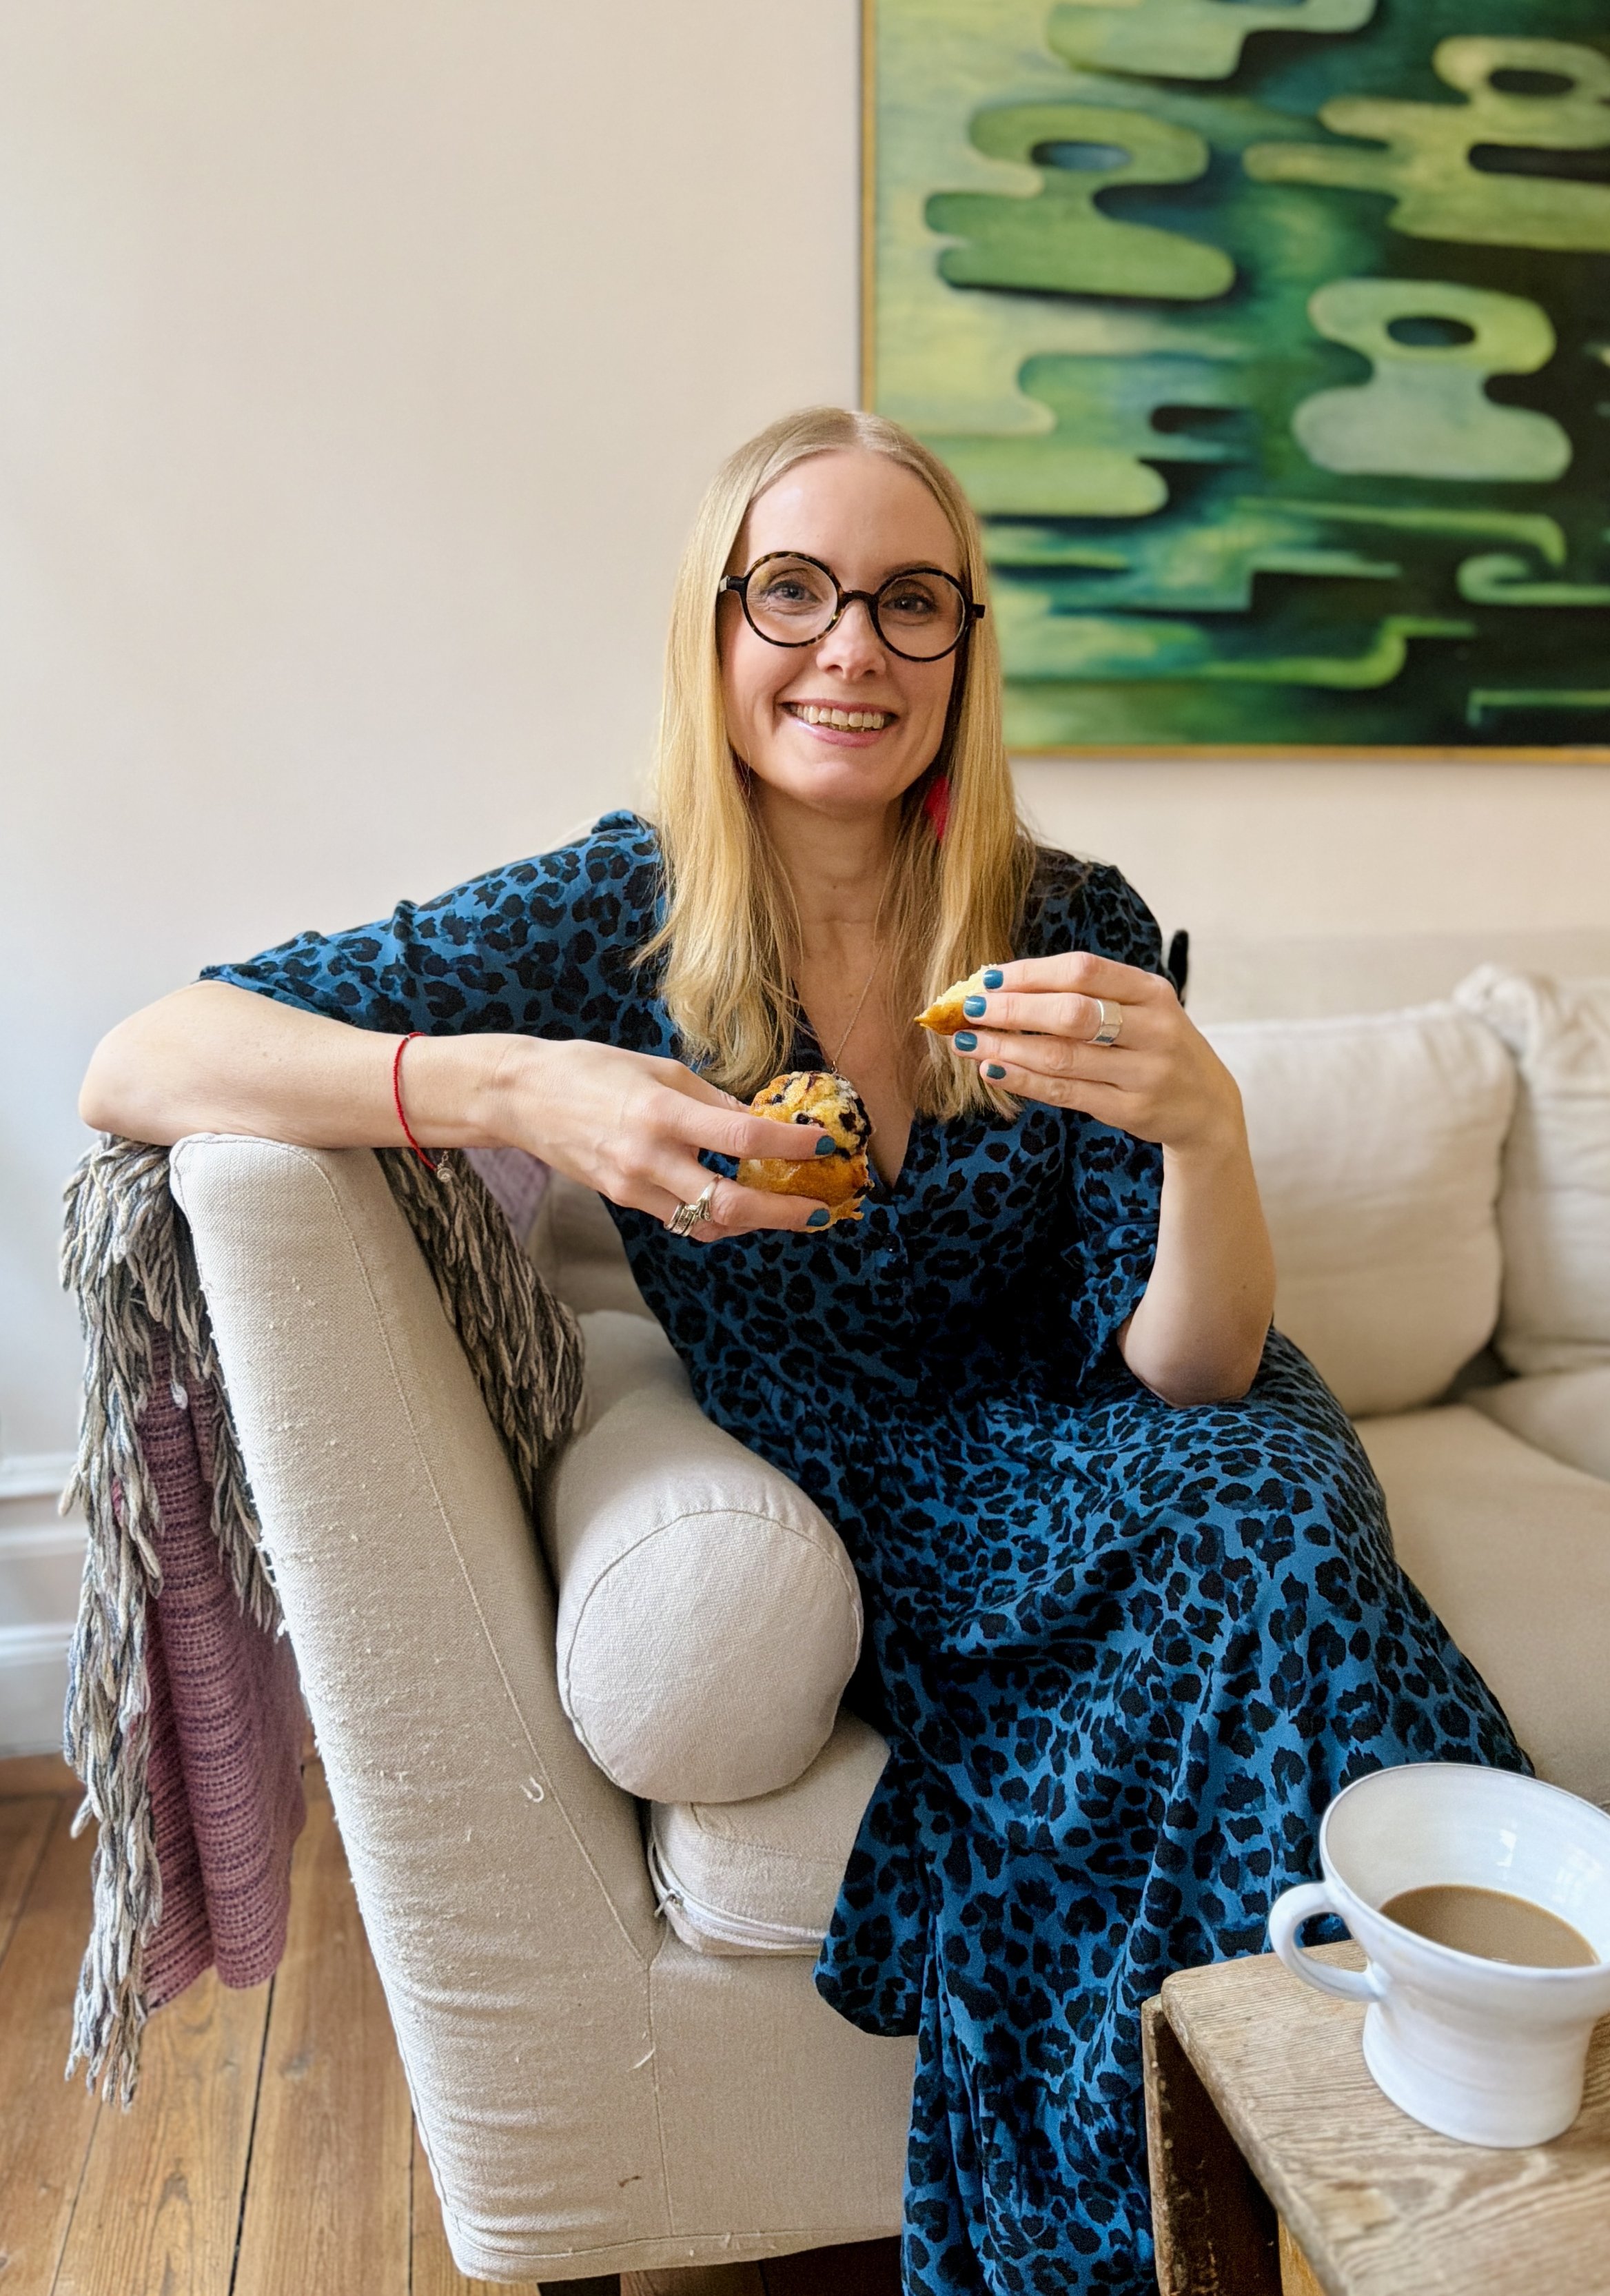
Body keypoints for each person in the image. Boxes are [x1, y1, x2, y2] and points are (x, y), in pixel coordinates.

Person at [82, 406, 1527, 2295]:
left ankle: (1363, 2157)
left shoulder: (1064, 920)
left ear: (962, 650)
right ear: (717, 623)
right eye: (795, 590)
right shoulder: (617, 918)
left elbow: (1185, 1368)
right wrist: (522, 1082)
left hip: (1143, 1426)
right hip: (886, 1475)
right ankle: (1456, 2077)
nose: (851, 648)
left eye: (909, 603)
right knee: (1261, 1552)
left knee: (1262, 1499)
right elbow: (146, 1054)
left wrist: (1206, 1132)